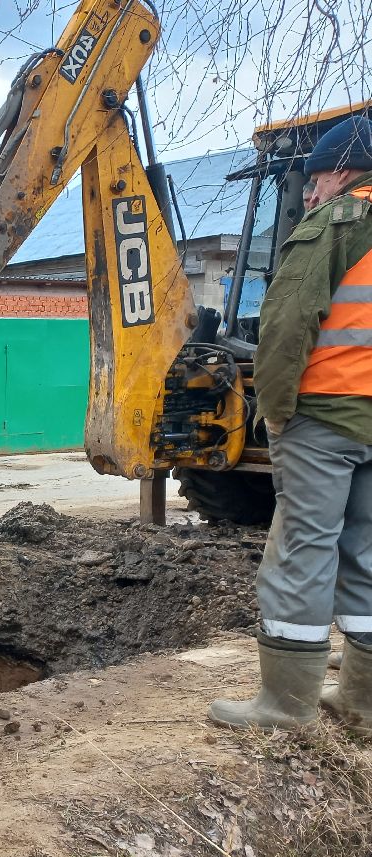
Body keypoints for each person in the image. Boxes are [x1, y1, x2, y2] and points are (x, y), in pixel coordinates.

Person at [210, 115, 372, 737]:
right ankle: (361, 702)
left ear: (343, 172)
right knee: (366, 551)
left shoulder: (336, 226)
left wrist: (273, 410)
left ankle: (285, 706)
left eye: (313, 180)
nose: (307, 194)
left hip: (324, 414)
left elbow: (286, 323)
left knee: (301, 551)